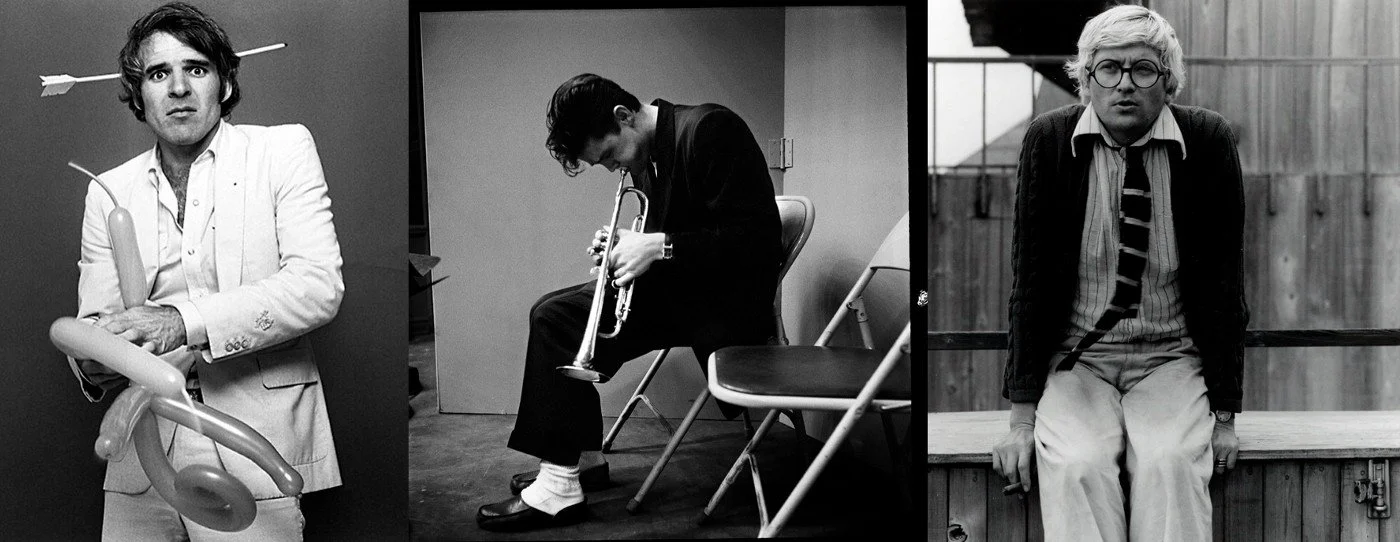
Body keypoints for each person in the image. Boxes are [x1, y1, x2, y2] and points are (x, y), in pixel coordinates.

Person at [65, 3, 344, 539]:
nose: (178, 89)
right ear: (138, 93)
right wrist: (95, 360)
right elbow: (97, 321)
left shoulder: (282, 150)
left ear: (225, 81)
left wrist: (178, 320)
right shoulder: (108, 191)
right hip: (139, 455)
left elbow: (317, 287)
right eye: (157, 73)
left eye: (196, 69)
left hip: (256, 445)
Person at [475, 73, 782, 531]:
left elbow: (758, 243)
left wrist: (660, 248)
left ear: (624, 117)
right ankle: (580, 457)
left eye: (610, 157)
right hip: (685, 292)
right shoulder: (651, 152)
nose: (614, 170)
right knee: (558, 309)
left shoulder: (711, 130)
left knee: (555, 319)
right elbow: (677, 230)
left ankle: (560, 485)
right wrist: (626, 246)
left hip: (722, 306)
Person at [991, 5, 1248, 541]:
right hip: (1077, 359)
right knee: (1075, 465)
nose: (1124, 85)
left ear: (1169, 81)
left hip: (1171, 357)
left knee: (1171, 463)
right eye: (1108, 69)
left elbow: (1225, 282)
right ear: (1085, 80)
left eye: (1144, 70)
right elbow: (1030, 280)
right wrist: (1020, 421)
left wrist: (1224, 416)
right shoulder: (1049, 141)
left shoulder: (1207, 142)